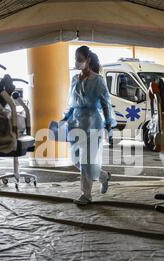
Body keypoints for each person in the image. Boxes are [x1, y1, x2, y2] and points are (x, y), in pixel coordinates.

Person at [62, 46, 117, 205]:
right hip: (76, 122)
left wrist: (108, 123)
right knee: (77, 160)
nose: (77, 62)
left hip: (93, 123)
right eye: (76, 58)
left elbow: (105, 103)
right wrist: (65, 117)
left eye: (80, 59)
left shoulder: (97, 80)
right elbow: (71, 103)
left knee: (86, 160)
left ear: (88, 60)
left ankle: (86, 195)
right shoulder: (74, 79)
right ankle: (103, 176)